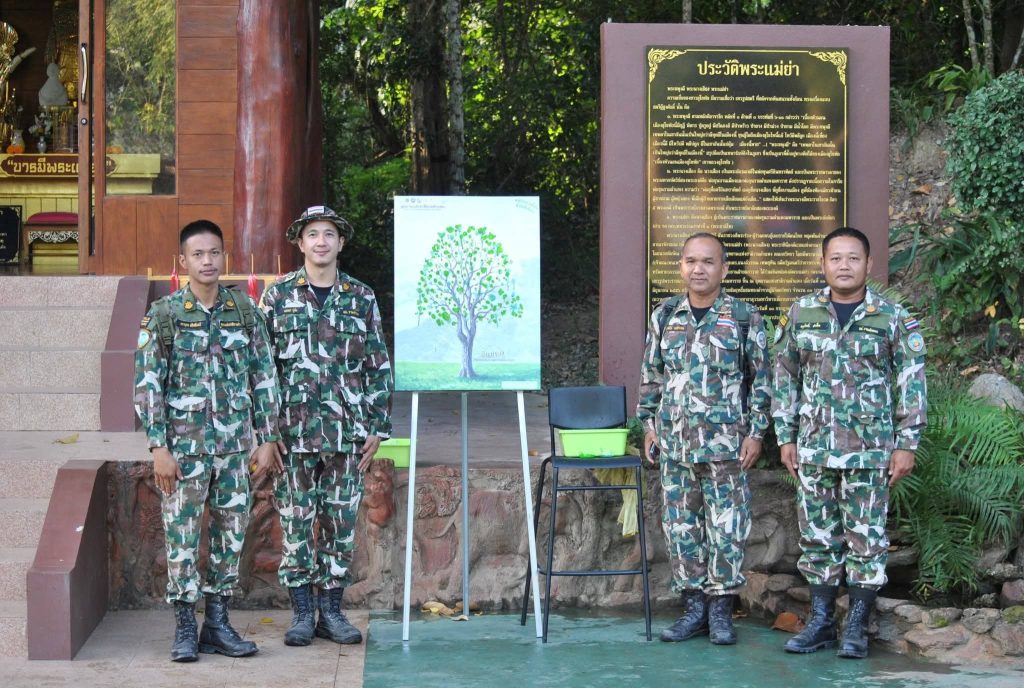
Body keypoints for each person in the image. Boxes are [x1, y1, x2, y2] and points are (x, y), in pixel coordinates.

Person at [772, 226, 927, 659]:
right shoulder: (801, 313)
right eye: (836, 258)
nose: (844, 265)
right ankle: (822, 623)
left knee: (866, 539)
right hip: (814, 449)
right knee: (818, 538)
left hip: (869, 451)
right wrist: (785, 437)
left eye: (853, 258)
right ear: (823, 264)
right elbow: (783, 378)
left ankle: (857, 626)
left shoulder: (892, 318)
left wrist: (907, 443)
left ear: (869, 264)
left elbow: (911, 384)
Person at [134, 219, 282, 662]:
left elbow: (263, 373)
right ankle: (185, 626)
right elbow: (147, 383)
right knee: (181, 538)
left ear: (224, 256)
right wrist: (158, 447)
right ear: (183, 261)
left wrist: (267, 437)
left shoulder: (244, 310)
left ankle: (217, 623)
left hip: (234, 449)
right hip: (184, 451)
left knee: (230, 535)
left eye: (214, 252)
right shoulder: (165, 314)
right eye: (198, 254)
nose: (207, 261)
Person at [259, 205, 393, 647]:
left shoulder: (361, 297)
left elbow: (377, 364)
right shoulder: (277, 298)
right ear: (300, 242)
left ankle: (332, 613)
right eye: (313, 234)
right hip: (292, 436)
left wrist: (376, 425)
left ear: (341, 243)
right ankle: (302, 614)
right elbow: (261, 370)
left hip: (346, 434)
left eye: (329, 234)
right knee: (296, 524)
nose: (321, 241)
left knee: (339, 525)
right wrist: (266, 433)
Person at [637, 232, 772, 645]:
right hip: (675, 446)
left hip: (726, 447)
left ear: (724, 269)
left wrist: (756, 433)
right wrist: (648, 426)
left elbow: (762, 381)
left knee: (727, 528)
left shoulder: (745, 317)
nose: (699, 269)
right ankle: (693, 609)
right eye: (691, 261)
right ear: (681, 267)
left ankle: (721, 612)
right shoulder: (665, 315)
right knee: (681, 528)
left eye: (708, 262)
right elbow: (652, 375)